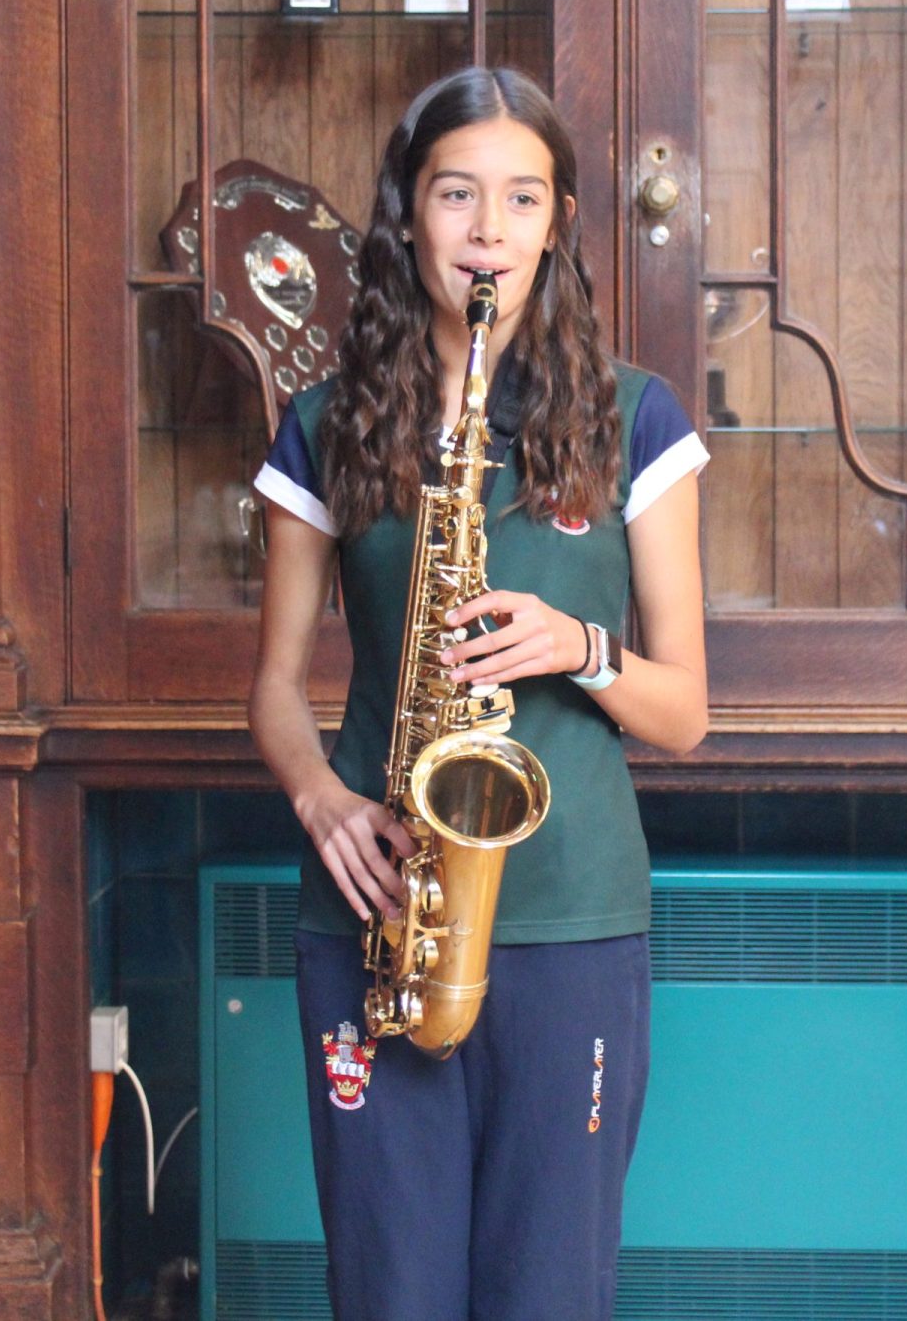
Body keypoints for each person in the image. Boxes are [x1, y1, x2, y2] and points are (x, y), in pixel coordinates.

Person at [247, 64, 710, 1321]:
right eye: (458, 194)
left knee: (549, 1293)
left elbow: (686, 713)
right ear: (407, 211)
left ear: (559, 221)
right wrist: (323, 804)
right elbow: (277, 687)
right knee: (388, 1291)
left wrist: (579, 645)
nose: (488, 230)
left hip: (571, 922)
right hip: (377, 909)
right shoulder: (326, 422)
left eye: (521, 197)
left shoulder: (637, 419)